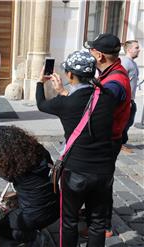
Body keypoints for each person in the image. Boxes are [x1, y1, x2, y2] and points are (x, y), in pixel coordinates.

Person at [36, 50, 116, 246]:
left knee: (69, 221)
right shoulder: (108, 97)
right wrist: (64, 92)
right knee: (97, 222)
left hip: (76, 172)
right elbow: (88, 102)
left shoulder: (65, 103)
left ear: (70, 75)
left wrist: (40, 82)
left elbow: (41, 104)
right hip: (104, 171)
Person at [84, 33, 131, 237]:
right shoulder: (110, 73)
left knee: (101, 184)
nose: (89, 53)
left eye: (92, 50)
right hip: (107, 138)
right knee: (98, 181)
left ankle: (103, 225)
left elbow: (98, 113)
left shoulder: (114, 82)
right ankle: (96, 216)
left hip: (106, 141)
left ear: (100, 56)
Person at [0, 125, 59, 245]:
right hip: (56, 206)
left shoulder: (12, 166)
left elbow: (1, 172)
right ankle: (35, 229)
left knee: (1, 227)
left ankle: (35, 237)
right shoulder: (41, 151)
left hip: (33, 215)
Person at [120, 40, 140, 153]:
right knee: (124, 122)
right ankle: (119, 144)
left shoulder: (133, 63)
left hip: (131, 99)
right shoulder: (125, 63)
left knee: (129, 121)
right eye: (136, 48)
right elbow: (121, 81)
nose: (139, 50)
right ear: (129, 49)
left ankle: (121, 142)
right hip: (126, 100)